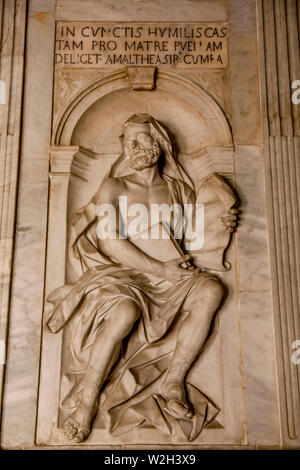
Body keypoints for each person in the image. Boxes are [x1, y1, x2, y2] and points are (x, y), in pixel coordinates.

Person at [45, 114, 238, 442]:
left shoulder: (178, 189)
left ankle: (173, 381)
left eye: (139, 138)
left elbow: (192, 240)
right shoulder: (113, 186)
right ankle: (87, 401)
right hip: (127, 275)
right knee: (124, 313)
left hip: (174, 277)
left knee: (211, 290)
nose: (130, 146)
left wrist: (220, 221)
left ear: (160, 144)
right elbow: (111, 241)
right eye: (126, 140)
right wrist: (160, 270)